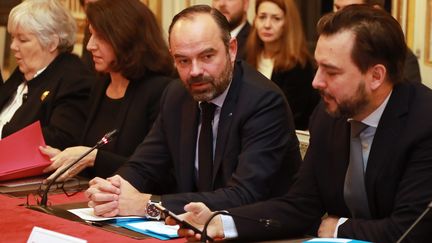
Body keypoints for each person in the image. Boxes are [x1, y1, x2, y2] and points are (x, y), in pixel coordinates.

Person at [170, 6, 432, 243]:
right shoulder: (327, 116)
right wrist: (220, 222)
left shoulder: (424, 122)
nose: (316, 82)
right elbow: (300, 205)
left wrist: (339, 227)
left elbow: (410, 230)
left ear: (376, 75)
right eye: (318, 67)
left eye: (331, 72)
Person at [85, 4, 301, 217]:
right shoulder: (176, 95)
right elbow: (144, 165)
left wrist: (147, 204)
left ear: (231, 49)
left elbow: (244, 195)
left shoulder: (263, 102)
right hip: (191, 228)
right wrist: (113, 189)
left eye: (207, 57)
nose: (195, 71)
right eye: (183, 60)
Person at [39, 0, 173, 181]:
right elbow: (90, 160)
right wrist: (67, 158)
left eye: (100, 37)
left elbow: (155, 172)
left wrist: (90, 157)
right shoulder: (101, 85)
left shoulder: (160, 90)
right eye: (91, 35)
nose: (89, 46)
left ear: (125, 38)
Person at [0, 0, 92, 150]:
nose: (13, 47)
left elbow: (61, 137)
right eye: (12, 38)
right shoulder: (25, 68)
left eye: (22, 40)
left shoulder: (73, 79)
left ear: (52, 43)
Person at [245, 0, 319, 130]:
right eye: (262, 17)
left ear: (287, 23)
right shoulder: (246, 58)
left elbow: (290, 116)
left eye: (276, 19)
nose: (267, 25)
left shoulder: (300, 66)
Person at [333, 0, 422, 84]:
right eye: (337, 8)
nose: (338, 17)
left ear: (375, 11)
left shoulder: (402, 57)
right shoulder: (332, 48)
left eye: (349, 10)